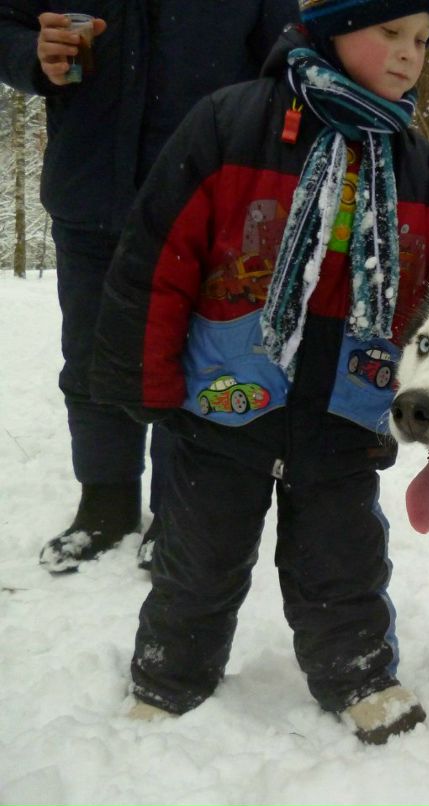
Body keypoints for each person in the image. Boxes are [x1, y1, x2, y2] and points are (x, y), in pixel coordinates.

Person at [89, 0, 429, 741]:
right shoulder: (233, 124)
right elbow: (158, 254)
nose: (408, 54)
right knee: (200, 552)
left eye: (421, 39)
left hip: (345, 404)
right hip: (225, 398)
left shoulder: (413, 161)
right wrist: (145, 374)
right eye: (388, 31)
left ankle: (357, 673)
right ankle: (171, 672)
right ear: (329, 26)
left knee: (342, 557)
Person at [0, 2, 299, 573]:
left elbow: (285, 63)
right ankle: (104, 505)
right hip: (88, 193)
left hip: (202, 202)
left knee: (194, 365)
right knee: (89, 361)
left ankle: (176, 514)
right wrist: (32, 58)